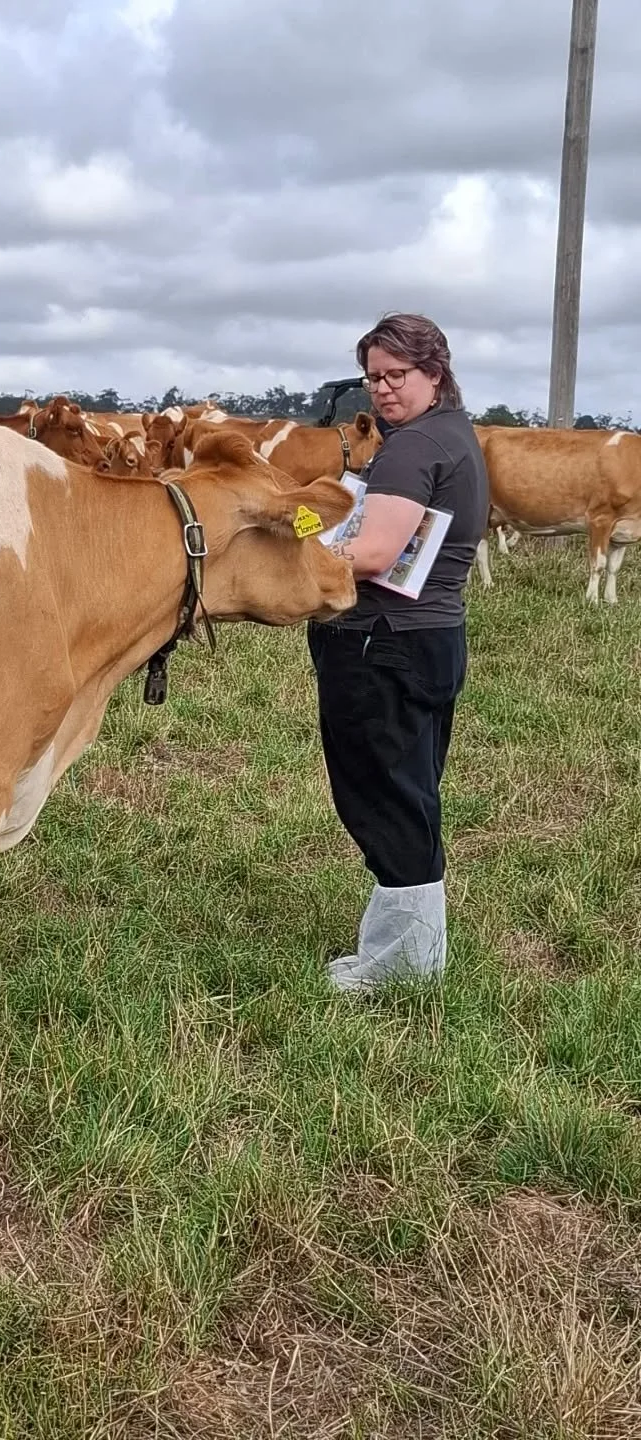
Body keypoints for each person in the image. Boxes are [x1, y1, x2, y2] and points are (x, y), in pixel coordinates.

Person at [307, 313, 488, 991]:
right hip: (431, 639)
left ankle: (401, 968)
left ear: (433, 373)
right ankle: (413, 951)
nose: (382, 390)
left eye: (396, 376)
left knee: (384, 798)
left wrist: (291, 551)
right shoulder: (451, 434)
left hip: (381, 646)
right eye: (372, 378)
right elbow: (354, 515)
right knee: (411, 792)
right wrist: (302, 515)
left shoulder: (411, 450)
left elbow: (374, 550)